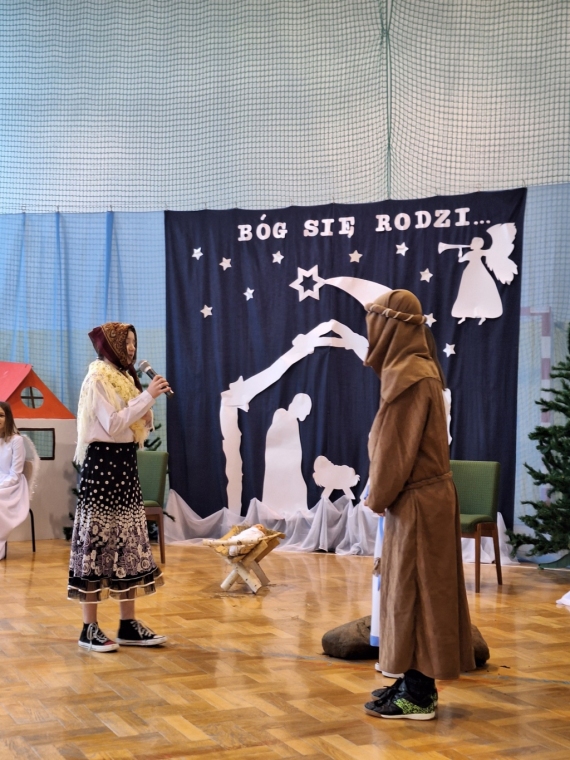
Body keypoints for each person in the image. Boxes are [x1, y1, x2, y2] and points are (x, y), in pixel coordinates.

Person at [362, 290, 474, 720]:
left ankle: (420, 694)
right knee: (414, 592)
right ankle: (411, 678)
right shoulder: (417, 368)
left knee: (419, 594)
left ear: (390, 327)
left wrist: (377, 496)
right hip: (421, 500)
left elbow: (396, 450)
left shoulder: (407, 376)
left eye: (375, 324)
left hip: (418, 503)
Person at [68, 322, 171, 652]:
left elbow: (133, 423)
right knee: (96, 544)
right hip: (102, 464)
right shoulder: (97, 378)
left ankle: (128, 625)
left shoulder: (126, 378)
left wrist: (146, 410)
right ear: (110, 344)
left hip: (125, 463)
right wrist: (147, 397)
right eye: (125, 342)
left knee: (129, 542)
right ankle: (89, 629)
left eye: (133, 342)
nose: (131, 348)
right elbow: (112, 424)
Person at [0, 402, 31, 561]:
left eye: (1, 415)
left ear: (8, 418)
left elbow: (15, 473)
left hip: (13, 485)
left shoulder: (16, 440)